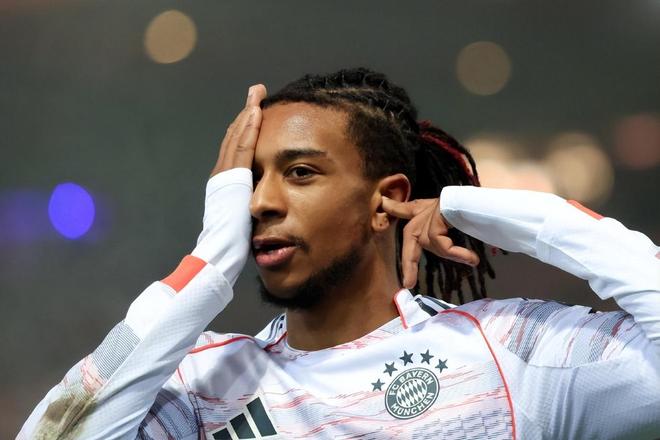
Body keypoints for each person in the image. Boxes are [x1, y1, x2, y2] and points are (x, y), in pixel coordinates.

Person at [18, 68, 660, 439]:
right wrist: (210, 261)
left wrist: (479, 208)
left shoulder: (507, 351)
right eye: (249, 180)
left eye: (299, 173)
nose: (259, 202)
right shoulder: (199, 386)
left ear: (387, 202)